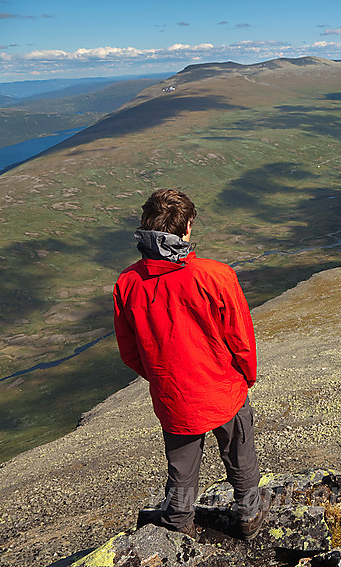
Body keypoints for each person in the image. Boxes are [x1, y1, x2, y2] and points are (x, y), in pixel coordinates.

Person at [113, 188, 270, 540]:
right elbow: (241, 338)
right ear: (186, 230)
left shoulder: (127, 284)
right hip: (223, 388)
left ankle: (179, 521)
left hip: (174, 397)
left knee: (181, 468)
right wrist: (245, 377)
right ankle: (248, 515)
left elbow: (129, 352)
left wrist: (161, 376)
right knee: (239, 454)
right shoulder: (215, 275)